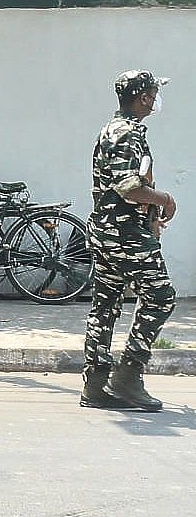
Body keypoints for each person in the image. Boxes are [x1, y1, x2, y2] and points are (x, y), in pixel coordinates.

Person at [80, 70, 177, 412]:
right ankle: (127, 376)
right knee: (161, 297)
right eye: (152, 93)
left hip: (109, 230)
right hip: (124, 234)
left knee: (106, 305)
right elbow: (128, 187)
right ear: (143, 98)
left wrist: (151, 211)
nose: (156, 99)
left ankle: (95, 384)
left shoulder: (114, 129)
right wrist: (165, 199)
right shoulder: (125, 133)